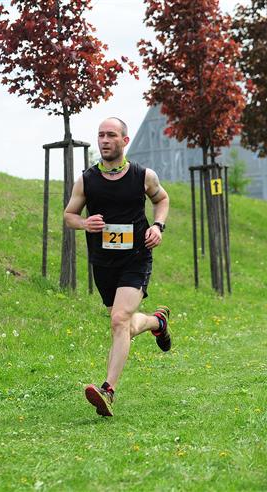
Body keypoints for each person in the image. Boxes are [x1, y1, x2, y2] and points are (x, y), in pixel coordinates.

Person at [64, 117, 171, 417]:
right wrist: (84, 223)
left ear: (124, 141)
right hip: (104, 262)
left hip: (136, 257)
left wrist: (158, 226)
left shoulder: (142, 176)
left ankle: (107, 390)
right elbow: (69, 215)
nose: (104, 140)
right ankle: (157, 323)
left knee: (119, 319)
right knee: (122, 324)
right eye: (101, 135)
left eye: (111, 135)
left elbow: (162, 199)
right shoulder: (87, 180)